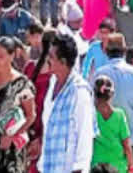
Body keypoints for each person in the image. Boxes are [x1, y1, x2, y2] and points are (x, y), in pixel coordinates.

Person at [93, 34, 133, 169]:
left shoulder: (99, 74)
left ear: (106, 51)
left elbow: (93, 105)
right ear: (125, 51)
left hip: (108, 145)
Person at [40, 33, 95, 173]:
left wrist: (79, 169)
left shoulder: (79, 92)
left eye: (51, 57)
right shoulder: (53, 84)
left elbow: (85, 136)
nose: (47, 60)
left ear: (63, 62)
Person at [0, 37, 36, 173]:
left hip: (11, 151)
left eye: (1, 56)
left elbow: (31, 115)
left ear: (12, 55)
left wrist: (13, 136)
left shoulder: (22, 84)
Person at [90, 76, 133, 173]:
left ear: (94, 93)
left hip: (97, 165)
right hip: (118, 165)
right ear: (112, 94)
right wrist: (131, 165)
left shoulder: (90, 114)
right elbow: (126, 144)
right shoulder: (119, 114)